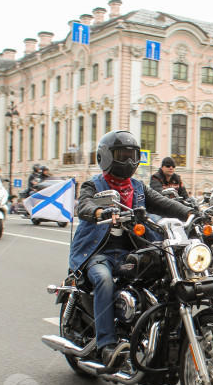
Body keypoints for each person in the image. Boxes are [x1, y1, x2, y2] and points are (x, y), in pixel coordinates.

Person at [69, 130, 193, 368]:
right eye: (121, 155)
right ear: (105, 157)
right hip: (99, 253)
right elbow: (84, 204)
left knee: (163, 273)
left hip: (131, 252)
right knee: (104, 280)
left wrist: (189, 212)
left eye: (131, 155)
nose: (127, 161)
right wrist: (100, 212)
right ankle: (107, 345)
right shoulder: (94, 184)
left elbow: (162, 202)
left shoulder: (137, 187)